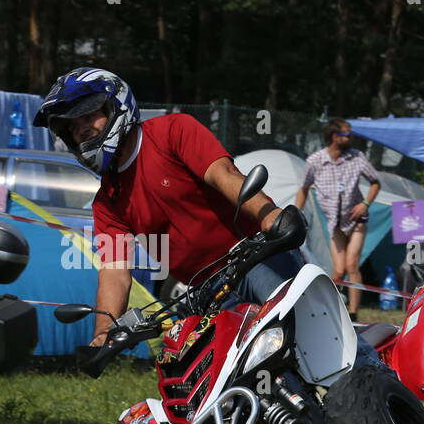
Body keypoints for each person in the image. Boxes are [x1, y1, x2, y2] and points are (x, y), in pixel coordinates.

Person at [33, 68, 298, 344]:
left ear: (116, 105)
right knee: (210, 379)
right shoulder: (107, 203)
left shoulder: (173, 131)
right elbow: (115, 270)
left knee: (296, 335)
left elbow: (224, 175)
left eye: (88, 116)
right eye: (73, 127)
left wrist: (271, 216)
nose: (82, 129)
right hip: (206, 293)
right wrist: (103, 334)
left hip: (255, 256)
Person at [294, 118, 380, 316]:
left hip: (357, 220)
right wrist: (296, 213)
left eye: (350, 134)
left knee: (352, 265)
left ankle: (353, 313)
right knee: (339, 270)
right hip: (335, 223)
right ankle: (328, 308)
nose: (350, 138)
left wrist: (365, 204)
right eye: (346, 134)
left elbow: (375, 182)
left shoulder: (357, 157)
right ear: (334, 137)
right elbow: (303, 189)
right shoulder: (315, 161)